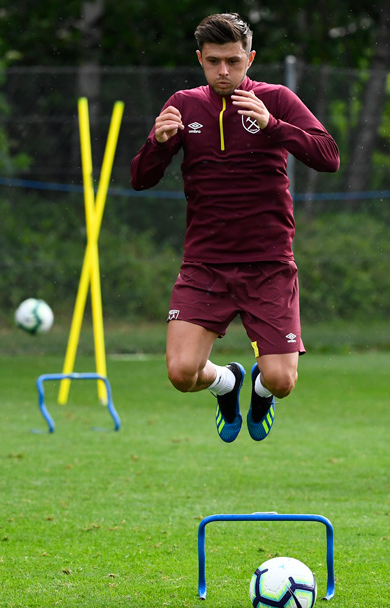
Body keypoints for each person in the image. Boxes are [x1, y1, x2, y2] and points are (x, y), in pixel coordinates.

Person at [131, 13, 340, 443]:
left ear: (251, 58)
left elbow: (328, 155)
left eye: (233, 61)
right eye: (213, 62)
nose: (224, 71)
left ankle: (260, 394)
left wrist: (273, 126)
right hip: (205, 265)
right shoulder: (184, 104)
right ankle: (227, 383)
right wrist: (158, 143)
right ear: (200, 60)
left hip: (268, 264)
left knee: (282, 380)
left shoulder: (276, 98)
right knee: (181, 374)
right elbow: (140, 178)